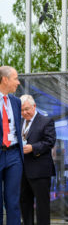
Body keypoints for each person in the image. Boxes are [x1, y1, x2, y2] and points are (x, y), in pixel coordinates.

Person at [19, 94, 56, 225]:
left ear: (34, 106)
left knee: (42, 206)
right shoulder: (19, 122)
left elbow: (50, 141)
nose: (24, 112)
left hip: (40, 171)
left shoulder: (46, 121)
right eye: (22, 110)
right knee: (24, 202)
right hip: (22, 170)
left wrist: (33, 148)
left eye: (27, 109)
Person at [0, 66, 23, 225]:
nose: (18, 82)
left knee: (13, 201)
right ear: (5, 79)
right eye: (15, 78)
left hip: (14, 154)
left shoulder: (16, 101)